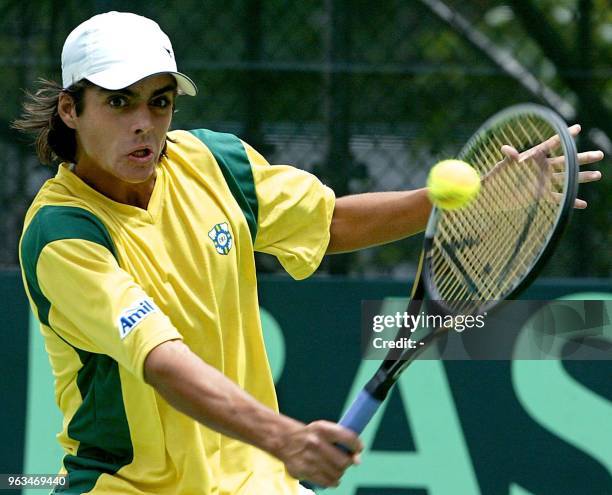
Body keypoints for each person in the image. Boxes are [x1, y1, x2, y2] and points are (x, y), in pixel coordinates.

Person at [13, 11, 603, 495]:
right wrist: (285, 438)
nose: (145, 123)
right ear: (72, 109)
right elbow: (163, 362)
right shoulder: (63, 233)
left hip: (257, 482)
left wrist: (464, 201)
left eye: (160, 102)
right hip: (132, 488)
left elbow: (332, 223)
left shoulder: (215, 163)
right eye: (120, 103)